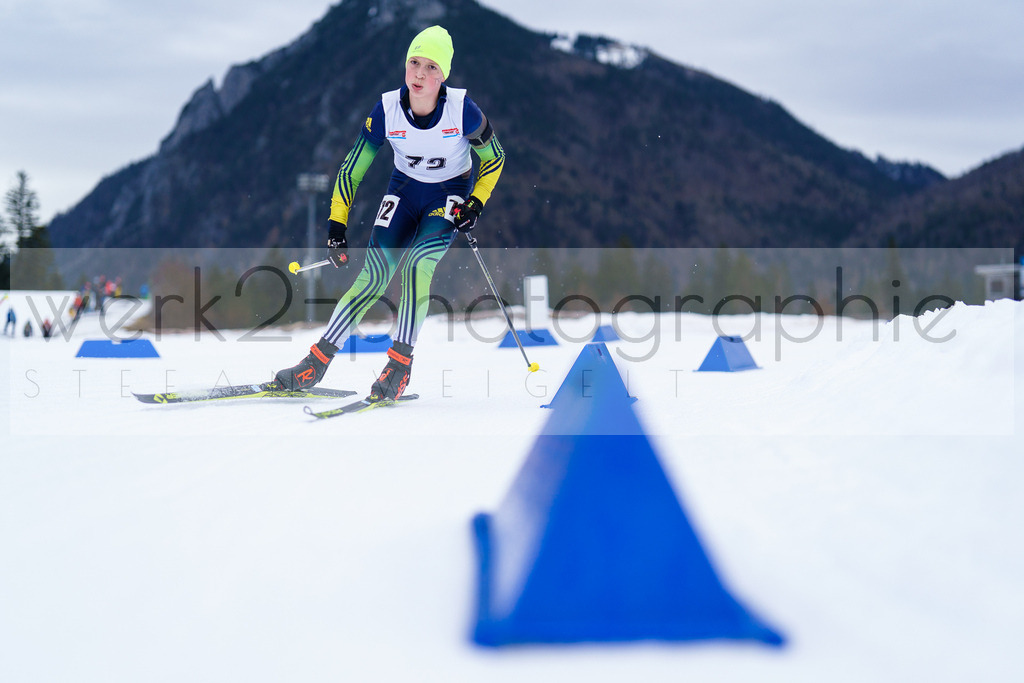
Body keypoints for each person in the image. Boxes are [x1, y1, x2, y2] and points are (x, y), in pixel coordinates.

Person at [274, 25, 506, 401]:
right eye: (414, 62)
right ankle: (315, 363)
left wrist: (475, 203)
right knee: (373, 275)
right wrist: (336, 227)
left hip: (448, 194)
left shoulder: (463, 110)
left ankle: (399, 367)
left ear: (443, 75)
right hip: (404, 190)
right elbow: (352, 169)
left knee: (417, 266)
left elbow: (494, 159)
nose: (419, 74)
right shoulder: (386, 109)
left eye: (431, 67)